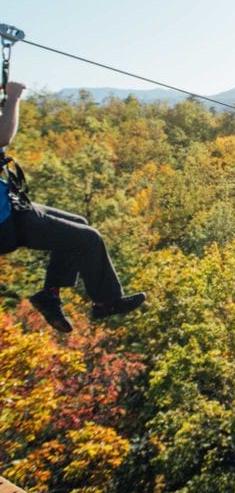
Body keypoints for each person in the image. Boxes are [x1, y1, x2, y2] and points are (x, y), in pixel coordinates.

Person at [0, 80, 146, 333]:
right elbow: (3, 136)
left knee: (80, 224)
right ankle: (106, 302)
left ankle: (50, 294)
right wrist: (13, 98)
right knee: (89, 239)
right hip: (6, 223)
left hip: (11, 209)